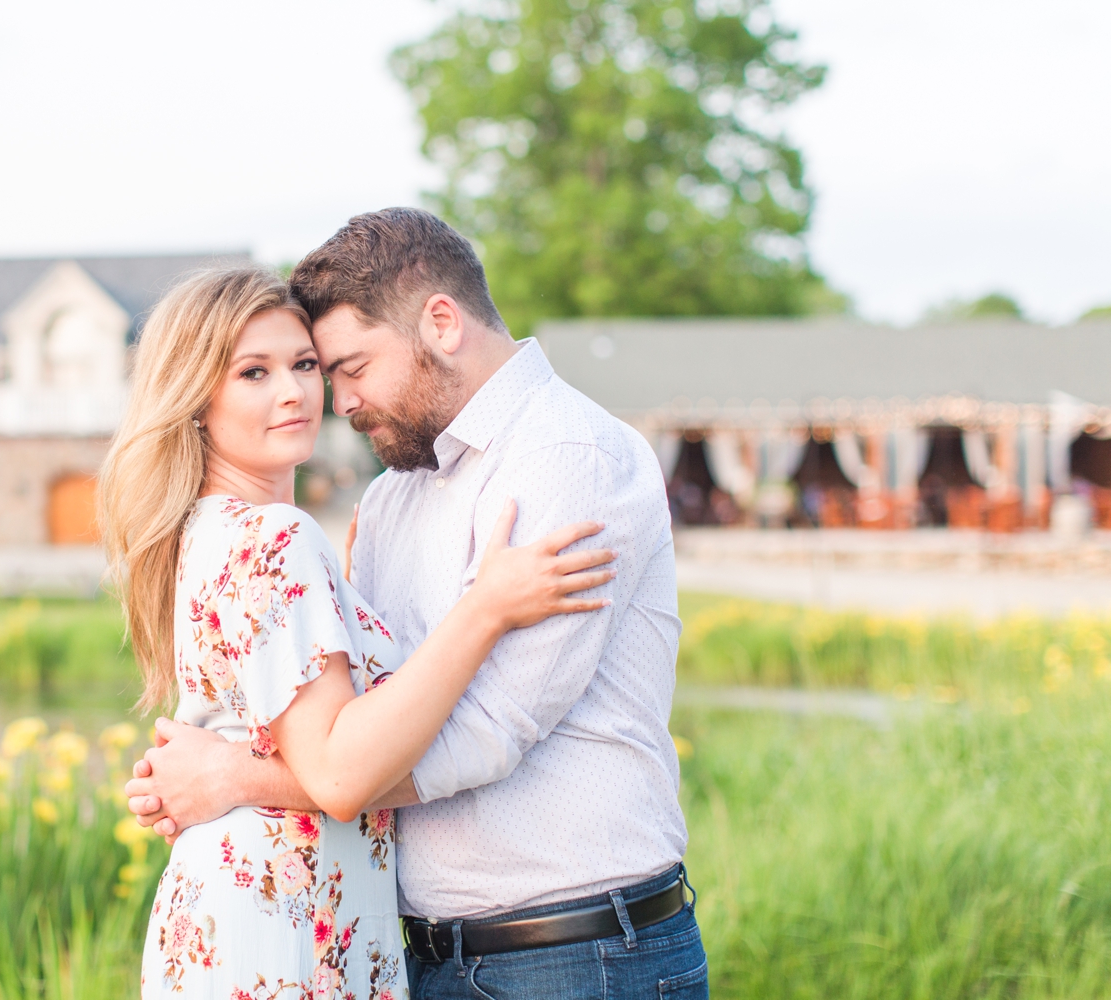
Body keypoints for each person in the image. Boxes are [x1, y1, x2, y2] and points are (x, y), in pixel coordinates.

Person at [125, 209, 708, 1000]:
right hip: (414, 954)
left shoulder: (567, 458)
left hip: (571, 952)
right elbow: (352, 724)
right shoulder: (392, 497)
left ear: (440, 322)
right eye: (302, 371)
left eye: (341, 366)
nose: (338, 399)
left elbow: (483, 731)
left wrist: (237, 775)